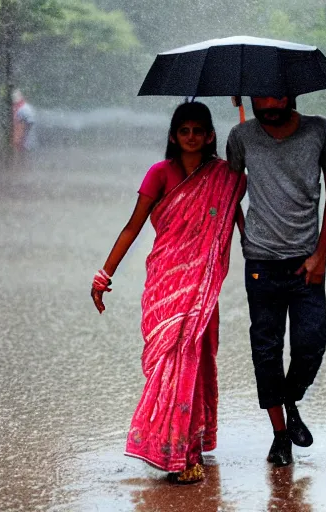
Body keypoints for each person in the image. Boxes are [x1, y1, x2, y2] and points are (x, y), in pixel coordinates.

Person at [91, 102, 246, 483]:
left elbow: (241, 224)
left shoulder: (226, 176)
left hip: (202, 286)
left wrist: (248, 145)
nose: (191, 137)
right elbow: (132, 226)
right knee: (169, 362)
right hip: (166, 282)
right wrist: (103, 275)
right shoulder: (160, 174)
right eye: (184, 131)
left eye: (198, 130)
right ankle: (168, 446)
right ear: (174, 136)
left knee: (194, 361)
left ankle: (187, 451)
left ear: (211, 135)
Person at [226, 95, 326, 466]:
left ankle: (290, 398)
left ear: (293, 94)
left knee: (312, 341)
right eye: (261, 96)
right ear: (251, 98)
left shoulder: (321, 131)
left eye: (277, 95)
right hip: (260, 261)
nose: (269, 103)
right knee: (266, 349)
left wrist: (321, 254)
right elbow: (230, 191)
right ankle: (280, 434)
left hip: (306, 262)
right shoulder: (240, 135)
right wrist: (244, 233)